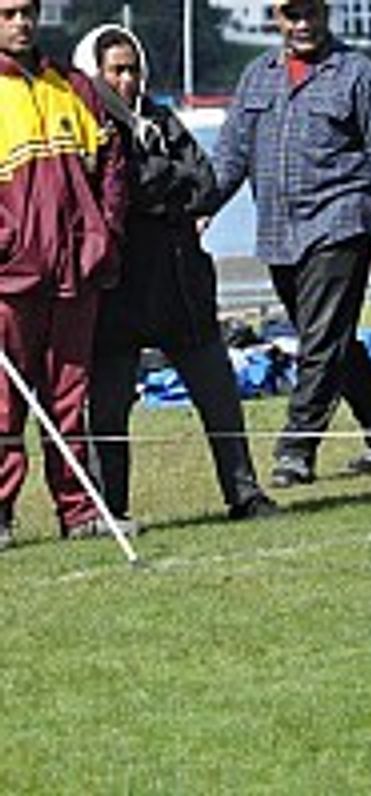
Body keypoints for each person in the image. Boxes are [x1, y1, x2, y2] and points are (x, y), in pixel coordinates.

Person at [207, 0, 371, 489]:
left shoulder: (361, 75)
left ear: (326, 14)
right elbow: (231, 154)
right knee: (330, 340)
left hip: (341, 222)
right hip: (279, 232)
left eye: (311, 13)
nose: (302, 24)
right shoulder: (256, 76)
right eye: (292, 15)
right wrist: (201, 208)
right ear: (276, 17)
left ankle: (296, 450)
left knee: (321, 343)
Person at [72, 25, 278, 523]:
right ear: (94, 73)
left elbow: (205, 184)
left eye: (133, 69)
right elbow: (126, 188)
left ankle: (244, 493)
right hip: (117, 293)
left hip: (182, 287)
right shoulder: (85, 127)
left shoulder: (160, 119)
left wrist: (158, 184)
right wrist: (165, 182)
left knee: (219, 396)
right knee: (108, 411)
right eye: (116, 71)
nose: (127, 80)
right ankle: (109, 508)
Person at [0, 0, 129, 549]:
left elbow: (112, 166)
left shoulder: (72, 85)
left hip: (77, 273)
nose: (21, 23)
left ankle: (79, 512)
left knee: (69, 402)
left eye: (27, 11)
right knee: (3, 403)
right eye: (8, 13)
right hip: (10, 280)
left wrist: (104, 235)